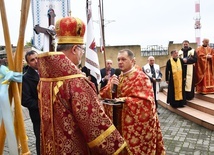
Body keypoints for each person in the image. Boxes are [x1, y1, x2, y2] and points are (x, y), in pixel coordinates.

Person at [37, 16, 126, 154]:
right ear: (74, 49)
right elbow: (96, 128)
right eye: (82, 50)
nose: (81, 55)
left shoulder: (44, 79)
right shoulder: (76, 83)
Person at [100, 49, 166, 154]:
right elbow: (102, 95)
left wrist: (125, 101)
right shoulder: (117, 77)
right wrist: (110, 87)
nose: (120, 62)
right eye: (118, 59)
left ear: (132, 61)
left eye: (123, 59)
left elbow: (147, 103)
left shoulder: (141, 77)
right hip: (118, 121)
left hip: (132, 124)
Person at [22, 50, 40, 155]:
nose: (36, 61)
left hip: (52, 115)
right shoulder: (25, 78)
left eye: (37, 58)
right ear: (28, 63)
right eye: (32, 60)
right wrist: (43, 105)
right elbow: (25, 100)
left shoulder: (47, 72)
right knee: (41, 141)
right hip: (38, 116)